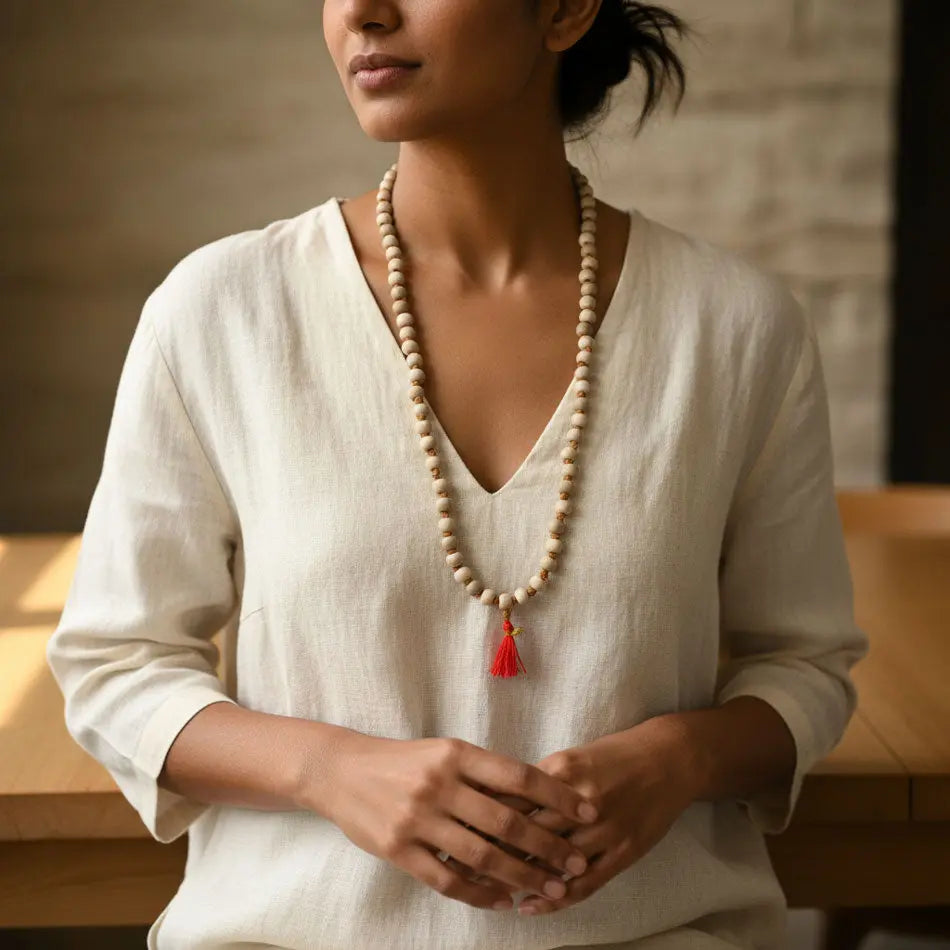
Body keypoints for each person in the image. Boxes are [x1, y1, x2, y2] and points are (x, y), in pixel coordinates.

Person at [45, 1, 870, 948]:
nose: (363, 12)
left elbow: (805, 665)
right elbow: (117, 667)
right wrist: (329, 770)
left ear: (564, 10)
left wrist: (680, 758)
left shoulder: (735, 331)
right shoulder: (222, 314)